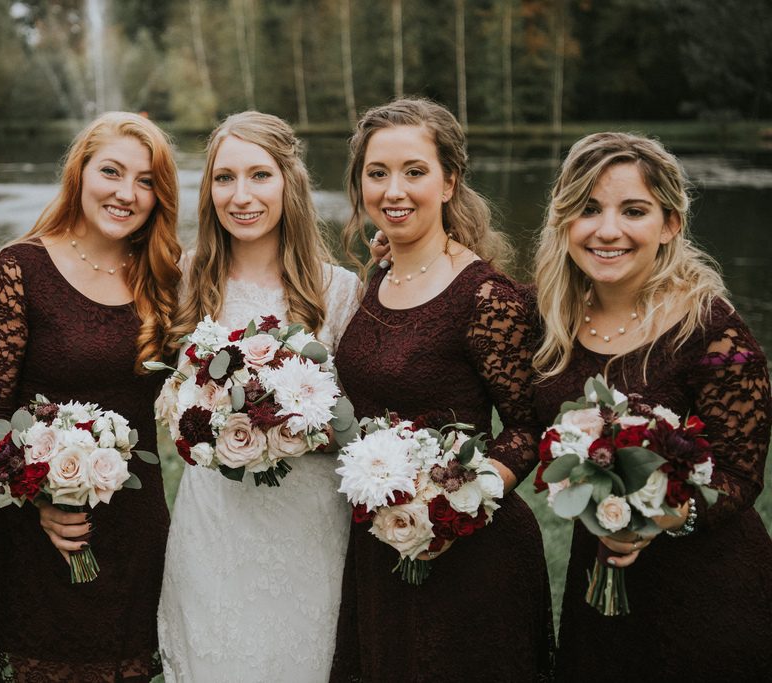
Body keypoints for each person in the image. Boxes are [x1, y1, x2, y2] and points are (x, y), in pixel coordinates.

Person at [531, 132, 772, 679]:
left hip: (706, 597)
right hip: (597, 597)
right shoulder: (551, 320)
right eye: (588, 209)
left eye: (633, 210)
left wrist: (661, 518)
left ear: (669, 225)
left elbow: (739, 475)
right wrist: (388, 251)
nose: (607, 230)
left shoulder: (710, 330)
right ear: (563, 219)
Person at [329, 98, 553, 681]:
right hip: (379, 547)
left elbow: (530, 428)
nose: (393, 190)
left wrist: (451, 505)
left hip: (471, 554)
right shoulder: (377, 278)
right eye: (377, 173)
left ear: (449, 181)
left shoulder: (487, 298)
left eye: (414, 171)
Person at [0, 112, 181, 681]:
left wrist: (389, 256)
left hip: (136, 529)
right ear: (80, 173)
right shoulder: (22, 269)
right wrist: (41, 493)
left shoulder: (164, 277)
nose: (126, 193)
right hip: (38, 532)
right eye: (111, 171)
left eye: (146, 181)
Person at [156, 111, 361, 682]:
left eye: (259, 176)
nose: (240, 196)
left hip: (307, 523)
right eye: (224, 178)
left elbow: (356, 423)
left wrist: (291, 428)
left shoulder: (337, 291)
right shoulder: (184, 278)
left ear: (289, 182)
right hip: (213, 523)